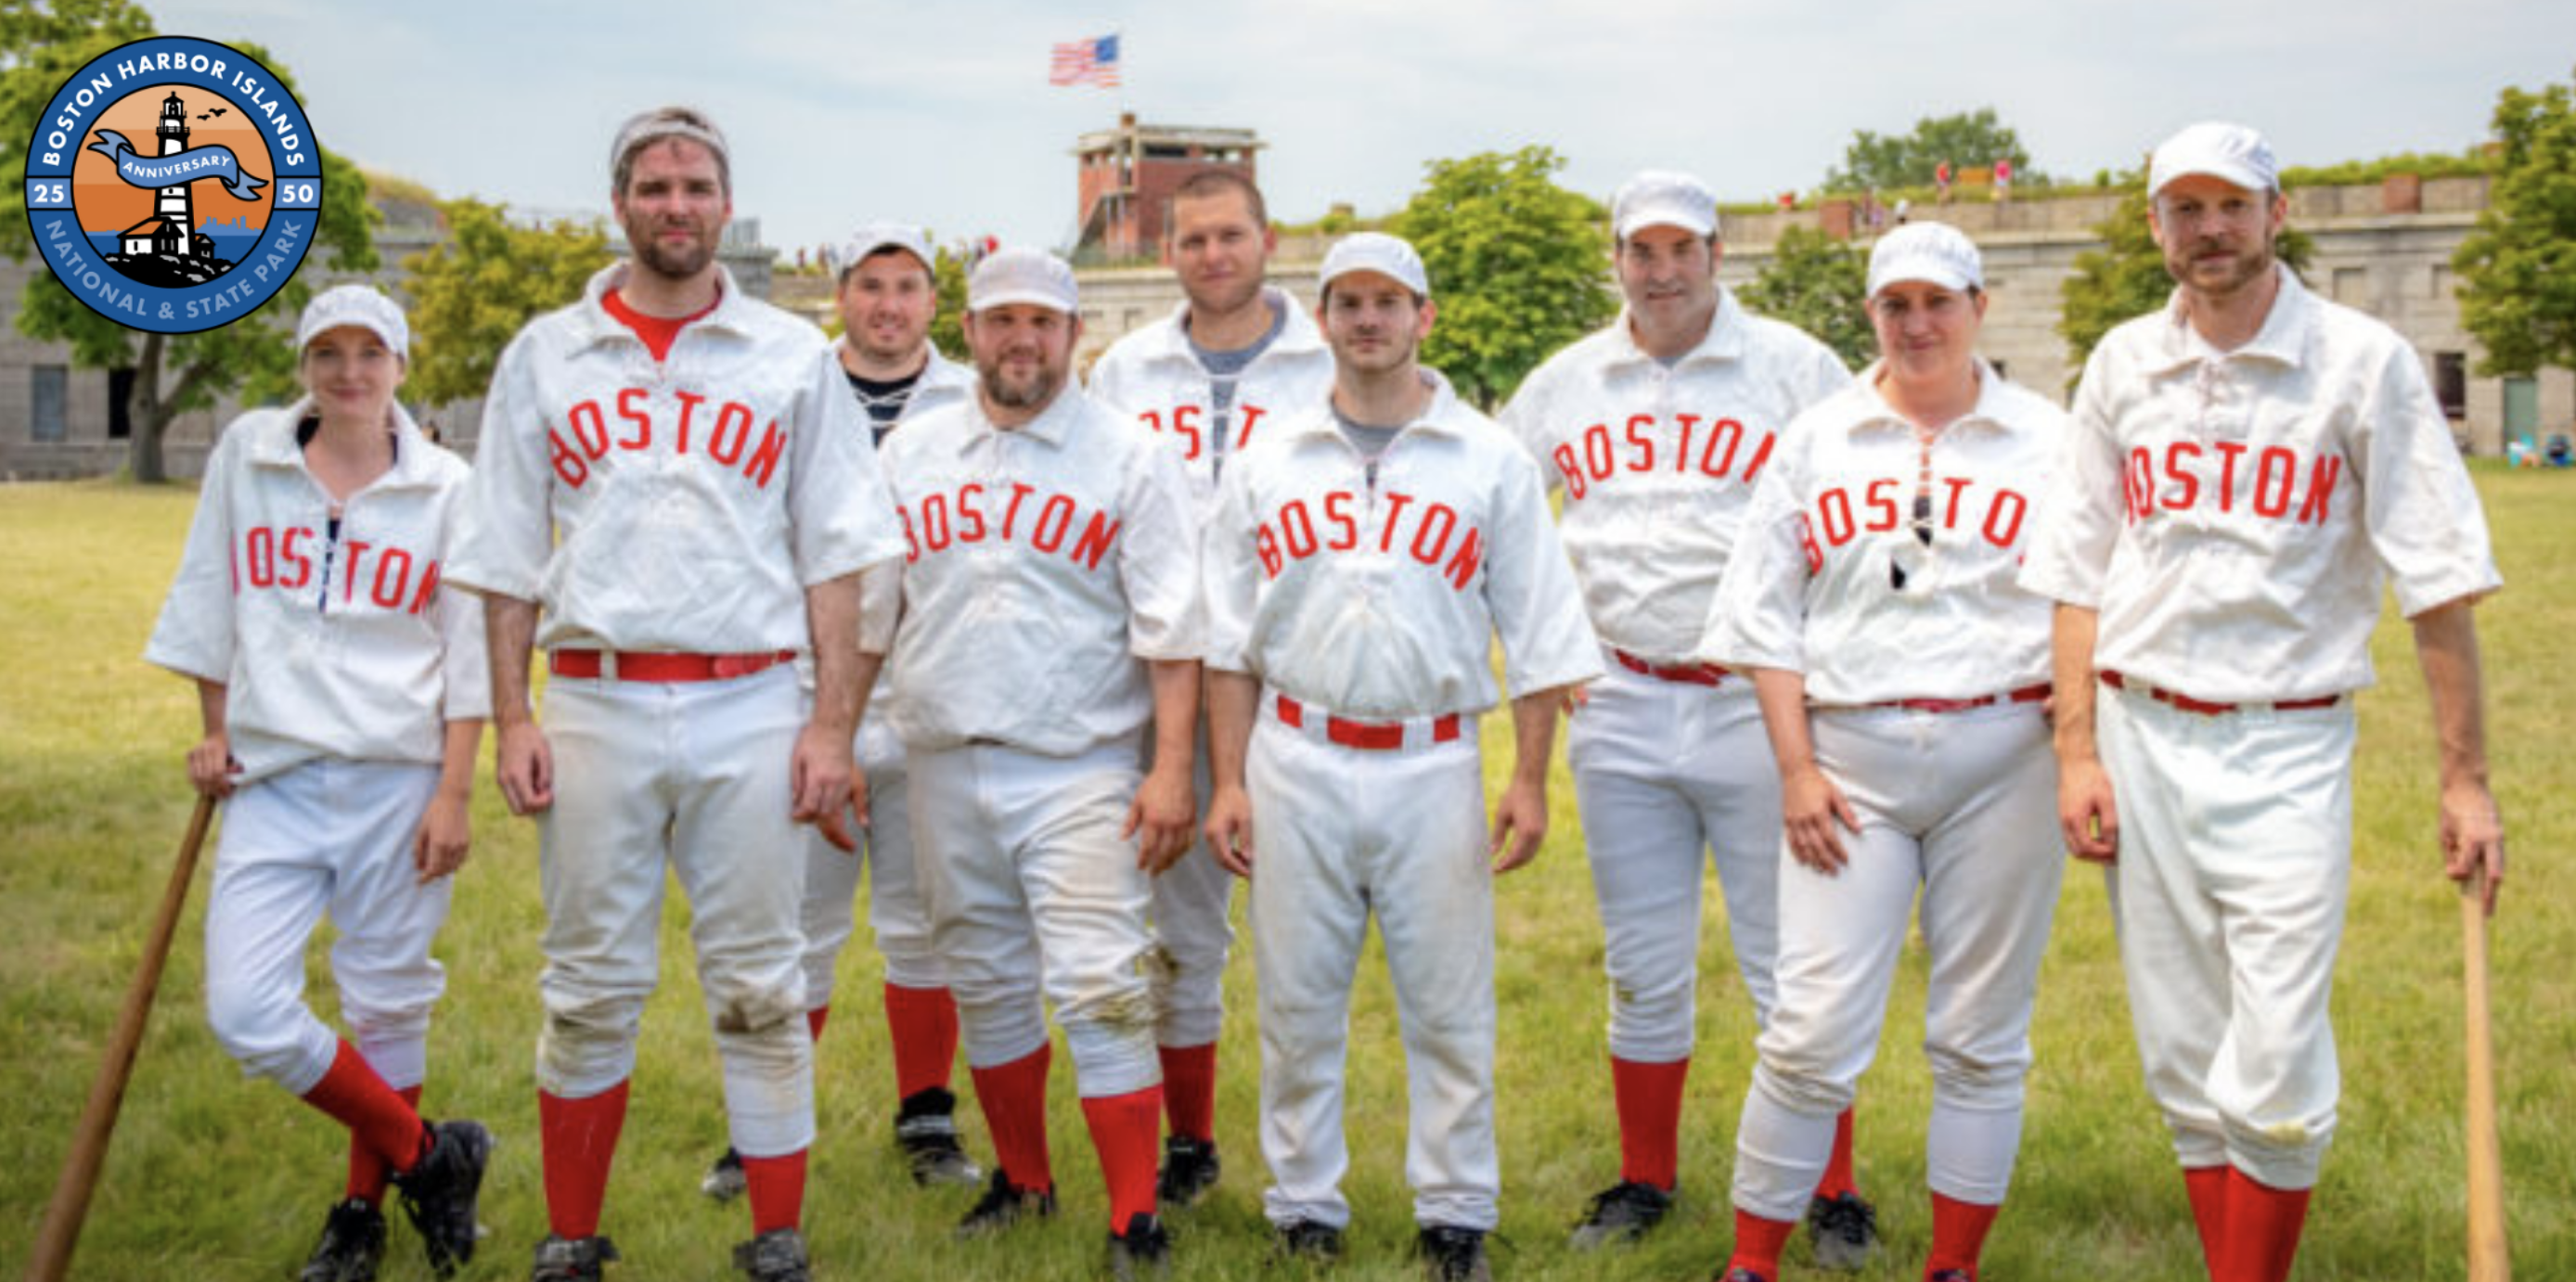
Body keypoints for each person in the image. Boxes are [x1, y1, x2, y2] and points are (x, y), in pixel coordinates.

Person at [2020, 122, 2506, 1282]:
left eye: (2230, 205)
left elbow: (2436, 583)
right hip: (2139, 731)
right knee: (2185, 1055)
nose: (2209, 229)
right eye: (2183, 209)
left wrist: (2466, 778)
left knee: (2277, 1067)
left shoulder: (2362, 359)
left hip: (2285, 742)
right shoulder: (2121, 362)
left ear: (2276, 212)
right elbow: (2075, 570)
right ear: (2155, 228)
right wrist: (2074, 752)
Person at [448, 106, 904, 1282]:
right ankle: (570, 1234)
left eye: (697, 186)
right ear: (621, 205)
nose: (676, 205)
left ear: (724, 203)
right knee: (590, 977)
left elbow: (840, 551)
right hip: (595, 693)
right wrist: (511, 714)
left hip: (749, 698)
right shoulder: (548, 352)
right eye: (654, 186)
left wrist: (829, 722)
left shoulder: (787, 354)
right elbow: (502, 553)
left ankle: (776, 1235)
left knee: (759, 975)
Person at [1202, 232, 1603, 1282]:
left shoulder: (1489, 459)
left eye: (1389, 301)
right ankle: (1302, 1204)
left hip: (1433, 758)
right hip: (1297, 748)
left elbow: (1539, 631)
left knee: (1448, 998)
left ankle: (1456, 1209)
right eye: (1347, 302)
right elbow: (1226, 642)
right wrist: (1232, 776)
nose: (1368, 319)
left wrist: (1524, 777)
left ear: (1425, 316)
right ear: (1321, 318)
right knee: (1294, 997)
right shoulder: (1268, 456)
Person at [1498, 170, 1872, 1262]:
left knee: (1790, 962)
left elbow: (1849, 522)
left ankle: (1830, 1187)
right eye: (1639, 250)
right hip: (1617, 699)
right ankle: (1643, 1179)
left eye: (1681, 248)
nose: (1661, 271)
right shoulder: (1567, 380)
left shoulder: (1795, 368)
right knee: (1643, 962)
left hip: (1756, 709)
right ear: (1614, 258)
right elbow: (1511, 528)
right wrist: (1561, 654)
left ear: (1718, 252)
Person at [1704, 223, 2066, 1282]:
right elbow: (1762, 618)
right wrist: (1795, 768)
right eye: (1894, 305)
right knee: (1811, 1027)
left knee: (1979, 1028)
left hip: (2005, 748)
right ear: (1869, 316)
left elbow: (2089, 596)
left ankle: (1954, 1262)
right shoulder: (1819, 437)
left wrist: (2077, 739)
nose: (1916, 324)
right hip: (1848, 754)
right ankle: (1751, 1258)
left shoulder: (2046, 436)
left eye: (1937, 302)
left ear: (1978, 307)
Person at [145, 284, 495, 1282]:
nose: (349, 371)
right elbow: (211, 593)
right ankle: (429, 1151)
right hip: (276, 774)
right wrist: (212, 730)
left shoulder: (446, 487)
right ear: (304, 364)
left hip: (399, 776)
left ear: (399, 364)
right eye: (328, 352)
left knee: (386, 999)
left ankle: (358, 1213)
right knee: (247, 1010)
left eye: (369, 352)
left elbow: (467, 648)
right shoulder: (248, 457)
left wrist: (454, 791)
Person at [876, 246, 1203, 1277]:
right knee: (983, 977)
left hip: (1079, 761)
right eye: (1001, 320)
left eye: (1044, 322)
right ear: (967, 331)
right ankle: (1023, 1178)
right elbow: (870, 613)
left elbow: (1172, 625)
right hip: (942, 754)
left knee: (1101, 981)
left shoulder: (1125, 452)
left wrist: (1170, 770)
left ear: (1075, 335)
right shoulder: (913, 451)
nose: (1023, 340)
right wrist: (836, 733)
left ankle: (1134, 1213)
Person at [697, 222, 985, 1203]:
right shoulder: (788, 384)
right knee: (794, 922)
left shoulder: (971, 396)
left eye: (909, 285)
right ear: (841, 296)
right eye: (871, 284)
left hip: (926, 690)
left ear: (933, 304)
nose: (889, 304)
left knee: (924, 920)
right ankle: (762, 1123)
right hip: (803, 693)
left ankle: (928, 1114)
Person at [1088, 168, 1335, 1209]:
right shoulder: (1126, 368)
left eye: (1230, 236)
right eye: (1192, 240)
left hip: (1296, 671)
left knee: (1300, 923)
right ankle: (1189, 1139)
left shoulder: (1324, 357)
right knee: (1175, 917)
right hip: (1155, 670)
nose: (1213, 256)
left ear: (1266, 238)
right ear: (1166, 252)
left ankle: (1308, 1153)